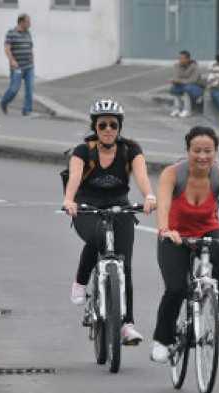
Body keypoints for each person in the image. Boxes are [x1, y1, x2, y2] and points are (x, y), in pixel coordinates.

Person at [62, 98, 157, 346]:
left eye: (113, 125)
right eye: (102, 125)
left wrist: (149, 196)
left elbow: (141, 176)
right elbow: (74, 177)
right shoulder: (83, 151)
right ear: (95, 126)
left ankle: (127, 325)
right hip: (87, 207)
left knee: (124, 267)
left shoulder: (130, 149)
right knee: (99, 236)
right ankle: (81, 280)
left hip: (120, 206)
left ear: (119, 127)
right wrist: (69, 200)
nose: (107, 130)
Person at [150, 126, 219, 362]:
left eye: (208, 151)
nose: (202, 156)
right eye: (197, 150)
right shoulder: (173, 174)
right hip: (175, 235)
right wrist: (165, 230)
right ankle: (163, 339)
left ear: (216, 152)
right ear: (188, 150)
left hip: (207, 231)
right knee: (176, 289)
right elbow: (163, 206)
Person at [0, 14, 35, 117]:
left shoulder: (28, 33)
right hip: (17, 67)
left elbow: (30, 47)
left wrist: (32, 59)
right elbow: (7, 48)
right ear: (21, 22)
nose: (30, 24)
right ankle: (4, 102)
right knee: (14, 89)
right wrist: (12, 60)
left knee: (30, 88)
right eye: (28, 22)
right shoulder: (11, 33)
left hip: (29, 66)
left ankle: (27, 110)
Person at [170, 50, 203, 118]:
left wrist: (179, 81)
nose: (180, 60)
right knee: (174, 88)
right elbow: (176, 77)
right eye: (179, 58)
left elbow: (193, 80)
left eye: (182, 58)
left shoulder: (195, 67)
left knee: (187, 88)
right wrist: (176, 81)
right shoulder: (177, 66)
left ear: (188, 59)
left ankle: (187, 110)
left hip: (196, 87)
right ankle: (177, 109)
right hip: (183, 85)